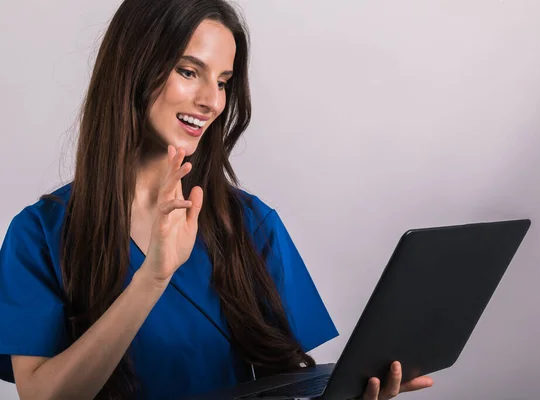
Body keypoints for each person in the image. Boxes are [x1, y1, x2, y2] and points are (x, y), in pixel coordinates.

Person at [0, 0, 434, 399]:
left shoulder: (249, 223)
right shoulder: (40, 233)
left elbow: (282, 382)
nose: (211, 101)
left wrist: (347, 390)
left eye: (223, 82)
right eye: (189, 72)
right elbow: (41, 394)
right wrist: (152, 278)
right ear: (132, 68)